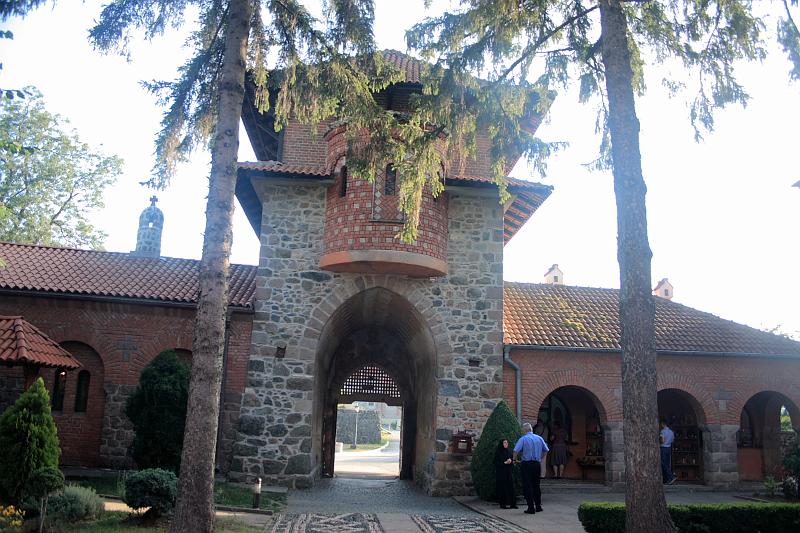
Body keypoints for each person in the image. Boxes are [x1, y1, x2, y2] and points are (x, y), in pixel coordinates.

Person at [513, 421, 549, 514]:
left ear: (525, 430)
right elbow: (546, 450)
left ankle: (531, 507)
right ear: (531, 429)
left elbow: (515, 451)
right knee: (536, 485)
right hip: (537, 464)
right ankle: (538, 506)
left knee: (528, 485)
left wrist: (514, 460)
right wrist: (541, 457)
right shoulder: (539, 438)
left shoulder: (523, 439)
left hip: (527, 464)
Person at [494, 439, 518, 509]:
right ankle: (503, 504)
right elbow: (496, 463)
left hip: (508, 472)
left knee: (511, 487)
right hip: (501, 473)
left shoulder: (508, 451)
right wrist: (504, 463)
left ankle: (513, 504)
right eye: (504, 442)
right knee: (503, 488)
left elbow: (512, 459)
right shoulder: (498, 452)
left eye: (507, 442)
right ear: (501, 444)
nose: (506, 444)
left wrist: (511, 461)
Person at [660, 419, 677, 484]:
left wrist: (659, 441)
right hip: (669, 448)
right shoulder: (671, 432)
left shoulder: (663, 431)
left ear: (663, 424)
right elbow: (673, 440)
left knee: (663, 464)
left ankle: (671, 477)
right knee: (667, 463)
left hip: (663, 448)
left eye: (661, 424)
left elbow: (662, 441)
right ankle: (668, 479)